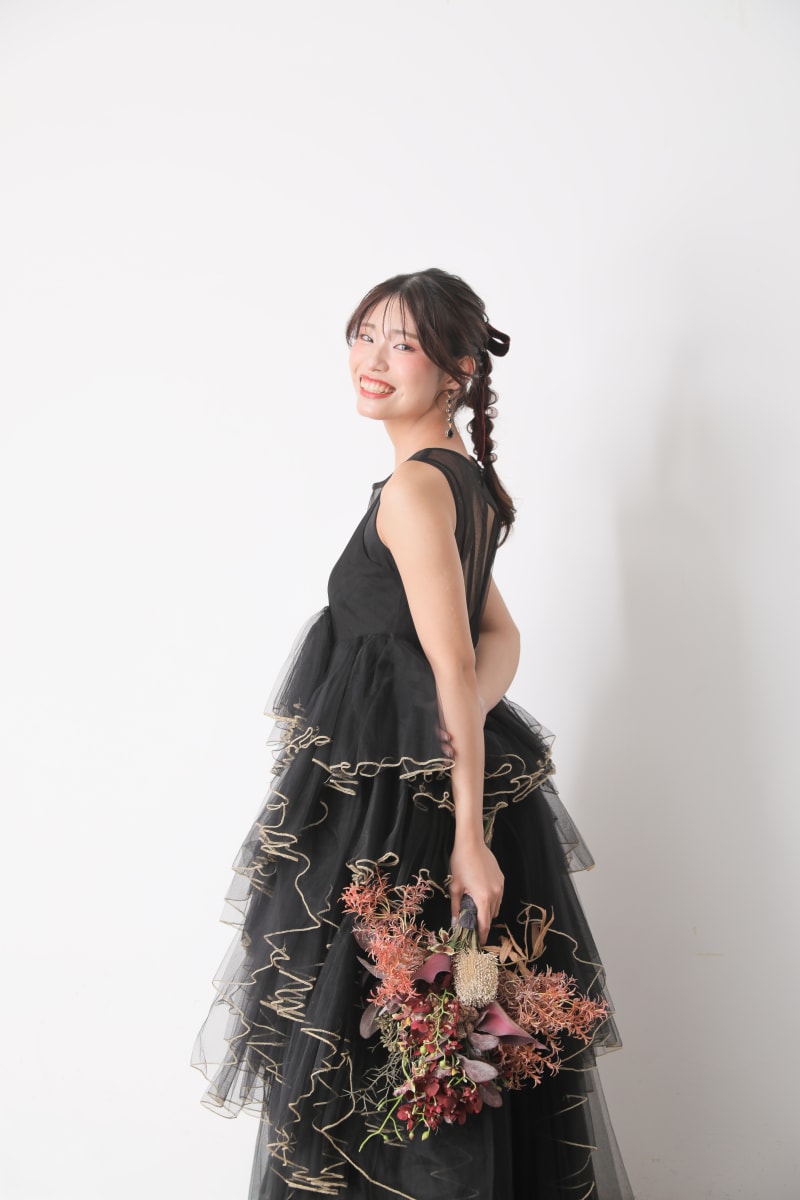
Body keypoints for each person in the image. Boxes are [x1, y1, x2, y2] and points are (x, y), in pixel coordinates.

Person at [192, 268, 634, 1199]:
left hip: (404, 823)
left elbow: (464, 659)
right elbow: (499, 638)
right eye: (365, 335)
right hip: (424, 793)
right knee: (435, 1047)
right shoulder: (460, 482)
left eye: (402, 344)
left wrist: (467, 834)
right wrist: (452, 719)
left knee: (402, 1058)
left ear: (457, 371)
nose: (374, 359)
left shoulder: (414, 491)